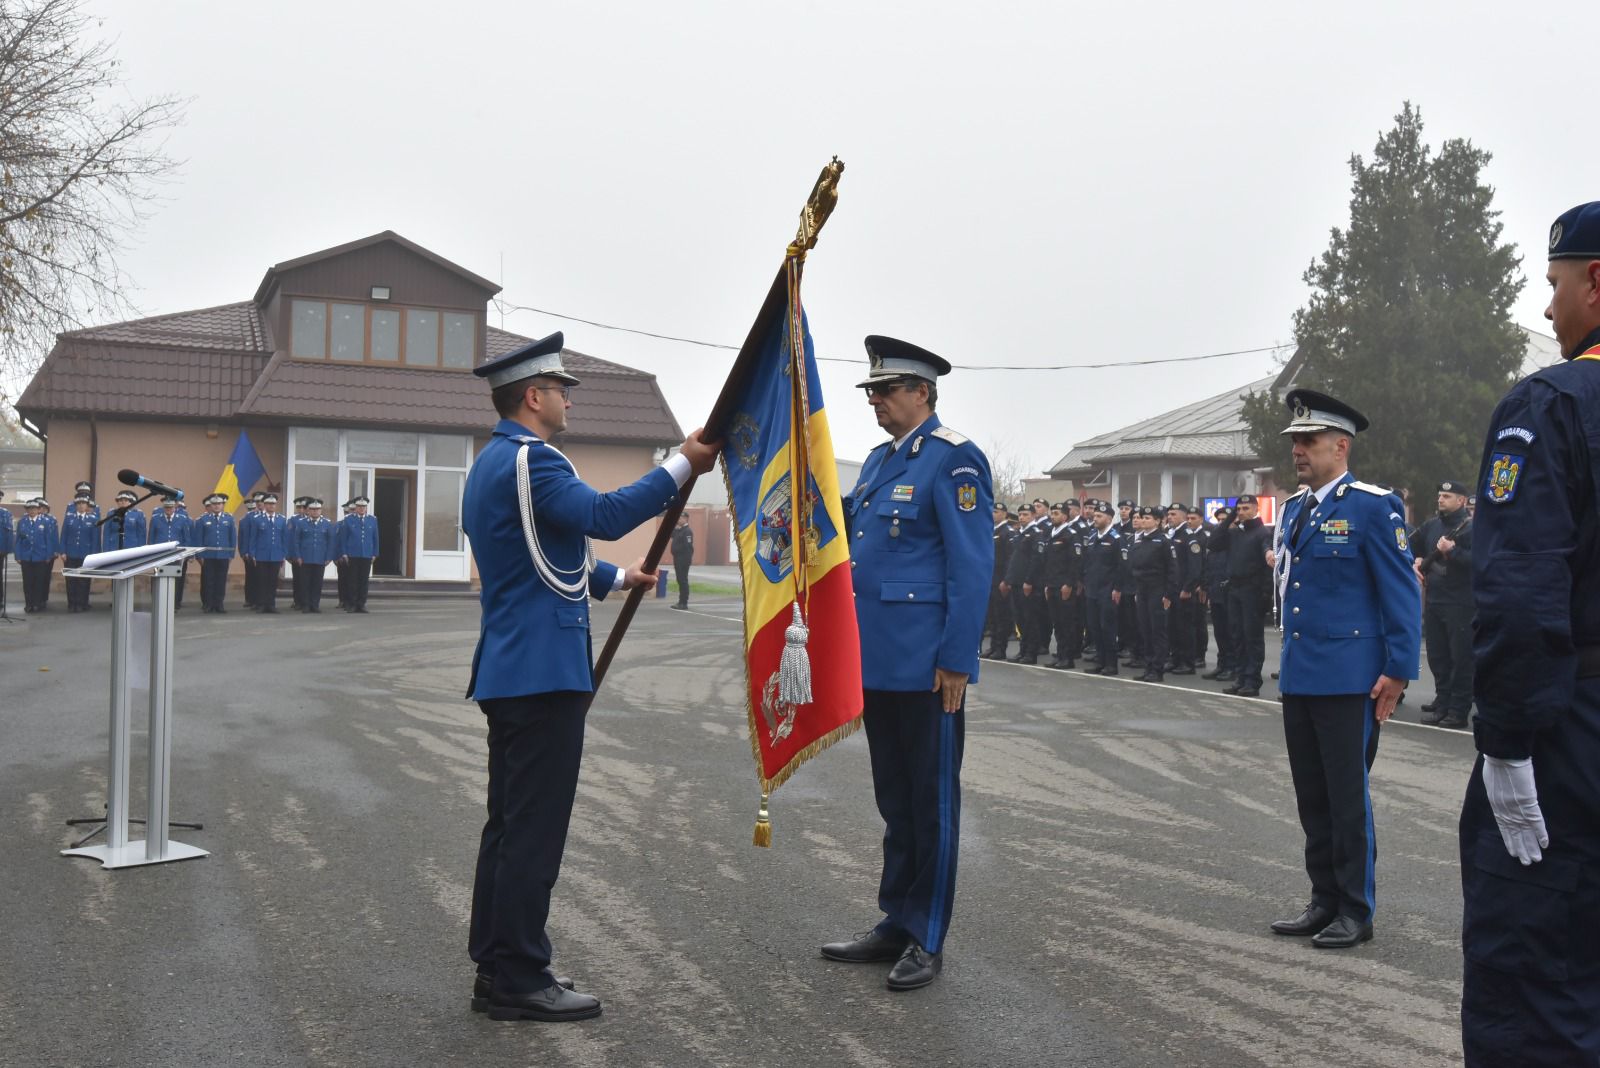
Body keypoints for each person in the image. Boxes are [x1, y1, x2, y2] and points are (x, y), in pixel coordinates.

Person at [461, 331, 719, 1023]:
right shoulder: (533, 460)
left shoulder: (494, 461)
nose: (570, 398)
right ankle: (520, 974)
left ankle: (496, 964)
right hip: (542, 671)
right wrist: (681, 465)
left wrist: (612, 578)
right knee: (533, 834)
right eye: (562, 388)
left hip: (517, 667)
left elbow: (537, 544)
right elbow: (599, 516)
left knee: (509, 828)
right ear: (533, 396)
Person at [1458, 201, 1600, 1064]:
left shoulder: (1554, 403)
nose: (1549, 310)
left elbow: (1519, 595)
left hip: (1572, 725)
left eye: (1555, 285)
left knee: (1534, 980)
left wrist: (1507, 745)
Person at [823, 334, 992, 993]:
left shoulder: (953, 460)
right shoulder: (874, 463)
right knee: (895, 800)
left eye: (887, 390)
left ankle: (927, 935)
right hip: (879, 661)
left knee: (932, 802)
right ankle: (895, 917)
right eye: (871, 392)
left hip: (927, 666)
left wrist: (956, 659)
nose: (876, 401)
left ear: (922, 392)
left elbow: (971, 567)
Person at [1268, 389, 1420, 950]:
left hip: (1351, 676)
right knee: (1313, 795)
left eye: (1308, 441)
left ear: (1341, 444)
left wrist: (1399, 669)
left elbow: (1400, 590)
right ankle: (1323, 899)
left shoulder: (1372, 506)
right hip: (1302, 672)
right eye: (1294, 442)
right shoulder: (1294, 510)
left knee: (1347, 796)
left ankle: (1356, 908)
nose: (1298, 451)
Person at [1410, 481, 1474, 729]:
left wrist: (1453, 551)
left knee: (1460, 659)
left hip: (1461, 602)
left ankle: (1458, 710)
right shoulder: (1432, 525)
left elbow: (1480, 561)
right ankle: (1443, 700)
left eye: (1447, 496)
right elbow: (1411, 543)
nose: (1440, 499)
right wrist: (1415, 560)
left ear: (1461, 501)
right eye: (1439, 495)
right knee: (1438, 656)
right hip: (1435, 599)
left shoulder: (1472, 528)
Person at [1216, 495, 1273, 696]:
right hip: (1235, 589)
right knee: (1236, 635)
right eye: (1238, 508)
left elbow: (1268, 566)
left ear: (1256, 510)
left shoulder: (1262, 532)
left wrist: (1266, 595)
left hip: (1253, 590)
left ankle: (1252, 680)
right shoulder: (1234, 533)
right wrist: (1231, 516)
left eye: (1245, 508)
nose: (1241, 512)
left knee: (1252, 637)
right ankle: (1240, 678)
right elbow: (1213, 543)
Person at [1128, 506, 1179, 683]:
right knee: (1145, 630)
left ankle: (1157, 669)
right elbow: (1134, 566)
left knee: (1157, 631)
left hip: (1158, 590)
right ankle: (1148, 666)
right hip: (1142, 590)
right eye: (1142, 518)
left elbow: (1172, 570)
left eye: (1148, 518)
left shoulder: (1163, 541)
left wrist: (1168, 594)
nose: (1143, 521)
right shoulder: (1138, 541)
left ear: (1157, 521)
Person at [1078, 501, 1126, 675]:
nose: (1095, 518)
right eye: (1095, 515)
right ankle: (1100, 660)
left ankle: (1111, 664)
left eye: (1099, 516)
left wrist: (1117, 588)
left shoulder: (1116, 538)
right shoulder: (1092, 537)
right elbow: (1086, 563)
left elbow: (1122, 566)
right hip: (1092, 589)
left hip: (1108, 590)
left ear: (1109, 518)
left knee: (1108, 628)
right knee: (1094, 626)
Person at [190, 493, 237, 613]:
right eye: (214, 504)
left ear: (223, 505)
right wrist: (199, 556)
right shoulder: (202, 520)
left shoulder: (229, 519)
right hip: (208, 556)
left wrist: (231, 554)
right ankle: (208, 604)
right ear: (210, 505)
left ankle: (219, 604)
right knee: (208, 581)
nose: (216, 506)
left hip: (223, 555)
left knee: (221, 580)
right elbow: (198, 539)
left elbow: (232, 538)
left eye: (219, 504)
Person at [288, 499, 336, 613]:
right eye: (312, 509)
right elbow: (296, 541)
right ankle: (305, 605)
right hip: (305, 558)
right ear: (308, 510)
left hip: (320, 558)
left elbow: (331, 542)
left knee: (317, 583)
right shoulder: (301, 522)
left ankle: (315, 605)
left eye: (317, 509)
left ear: (321, 510)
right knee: (305, 583)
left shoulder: (327, 523)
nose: (315, 512)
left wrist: (329, 557)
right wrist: (298, 556)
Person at [982, 502, 1016, 660]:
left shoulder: (1007, 532)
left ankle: (1000, 648)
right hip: (990, 578)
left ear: (1004, 514)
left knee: (1001, 616)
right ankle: (993, 646)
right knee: (993, 616)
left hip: (1000, 580)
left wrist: (1007, 580)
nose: (993, 514)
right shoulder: (991, 530)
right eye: (992, 511)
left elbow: (1011, 559)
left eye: (996, 511)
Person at [336, 497, 379, 613]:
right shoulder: (348, 519)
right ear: (355, 508)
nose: (361, 509)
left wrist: (375, 553)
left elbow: (375, 538)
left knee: (364, 580)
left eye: (363, 507)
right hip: (352, 554)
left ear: (366, 508)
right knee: (352, 580)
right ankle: (352, 604)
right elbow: (344, 538)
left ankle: (362, 604)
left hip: (366, 554)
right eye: (359, 507)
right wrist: (344, 553)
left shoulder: (372, 520)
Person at [149, 495, 193, 609]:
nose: (169, 510)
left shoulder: (182, 519)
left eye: (171, 507)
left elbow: (186, 538)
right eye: (167, 508)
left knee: (175, 580)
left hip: (176, 554)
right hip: (160, 554)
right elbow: (151, 537)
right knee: (158, 578)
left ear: (175, 508)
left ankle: (174, 604)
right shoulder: (155, 519)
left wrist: (186, 554)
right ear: (163, 507)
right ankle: (158, 603)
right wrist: (150, 553)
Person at [16, 497, 59, 612]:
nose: (32, 511)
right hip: (26, 557)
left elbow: (48, 540)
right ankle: (29, 604)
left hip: (40, 557)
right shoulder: (22, 522)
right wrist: (18, 556)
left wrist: (48, 555)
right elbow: (19, 540)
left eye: (34, 508)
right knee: (28, 582)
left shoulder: (45, 522)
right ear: (26, 510)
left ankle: (37, 603)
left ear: (38, 509)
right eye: (29, 509)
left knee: (39, 581)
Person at [246, 493, 287, 613]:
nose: (271, 506)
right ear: (264, 505)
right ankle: (261, 604)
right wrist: (252, 553)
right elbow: (253, 537)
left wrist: (283, 554)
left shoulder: (281, 519)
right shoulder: (257, 519)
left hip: (276, 555)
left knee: (273, 581)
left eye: (273, 504)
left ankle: (271, 604)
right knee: (262, 580)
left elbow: (284, 538)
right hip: (261, 555)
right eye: (268, 504)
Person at [61, 494, 100, 612]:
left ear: (87, 506)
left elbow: (95, 539)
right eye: (79, 503)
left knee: (83, 580)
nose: (81, 506)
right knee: (70, 580)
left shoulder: (93, 519)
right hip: (70, 553)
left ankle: (82, 603)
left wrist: (93, 555)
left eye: (83, 503)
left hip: (85, 554)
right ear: (75, 505)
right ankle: (71, 603)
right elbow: (63, 536)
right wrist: (63, 551)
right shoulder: (69, 518)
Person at [668, 512, 694, 610]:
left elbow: (688, 547)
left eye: (681, 518)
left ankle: (683, 603)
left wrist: (686, 560)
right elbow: (671, 534)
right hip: (677, 558)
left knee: (683, 580)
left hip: (683, 559)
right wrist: (675, 525)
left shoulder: (687, 531)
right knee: (680, 580)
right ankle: (681, 602)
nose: (679, 519)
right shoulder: (680, 530)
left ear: (686, 519)